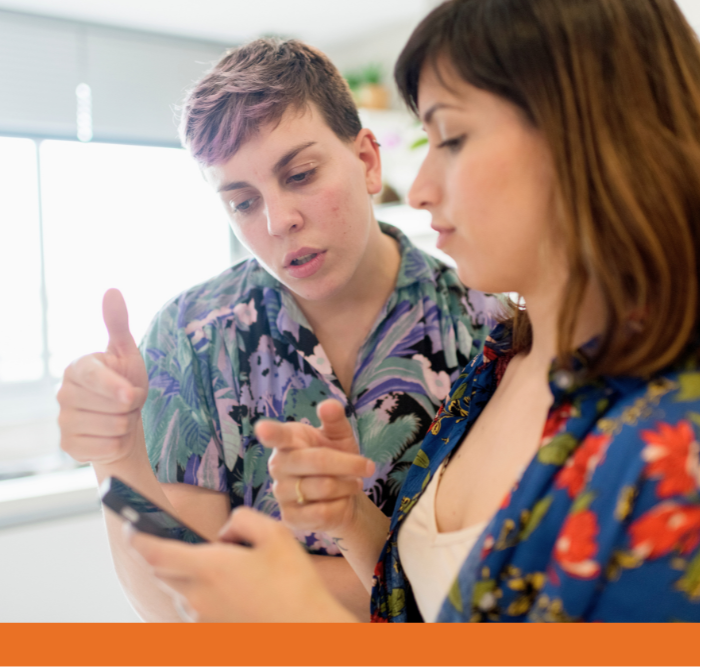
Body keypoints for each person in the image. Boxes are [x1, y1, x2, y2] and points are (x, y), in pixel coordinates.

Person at [126, 0, 699, 622]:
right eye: (242, 201)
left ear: (589, 138)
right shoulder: (505, 354)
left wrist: (301, 616)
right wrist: (349, 520)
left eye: (450, 137)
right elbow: (422, 596)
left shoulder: (678, 434)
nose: (419, 188)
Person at [57, 38, 498, 621]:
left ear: (367, 161)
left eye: (301, 174)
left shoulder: (484, 326)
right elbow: (185, 606)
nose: (277, 221)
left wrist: (260, 592)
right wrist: (115, 456)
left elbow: (482, 590)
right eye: (242, 202)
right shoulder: (191, 338)